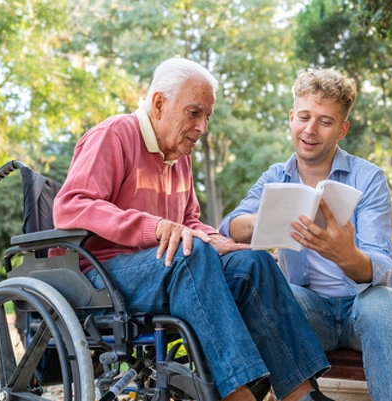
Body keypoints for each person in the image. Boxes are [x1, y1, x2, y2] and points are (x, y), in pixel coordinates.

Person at [53, 57, 335, 401]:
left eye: (207, 117)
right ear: (159, 104)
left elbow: (189, 223)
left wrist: (218, 239)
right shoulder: (114, 135)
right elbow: (71, 206)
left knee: (253, 263)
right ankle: (238, 395)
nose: (202, 127)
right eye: (194, 113)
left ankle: (302, 395)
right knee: (191, 254)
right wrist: (153, 227)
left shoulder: (180, 157)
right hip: (99, 276)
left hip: (166, 267)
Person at [219, 68, 392, 401]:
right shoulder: (276, 177)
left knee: (383, 303)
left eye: (325, 122)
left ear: (342, 128)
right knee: (266, 295)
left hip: (363, 310)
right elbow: (228, 227)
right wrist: (266, 218)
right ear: (291, 118)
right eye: (304, 117)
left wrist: (346, 256)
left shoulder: (368, 178)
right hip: (309, 313)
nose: (310, 130)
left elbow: (381, 267)